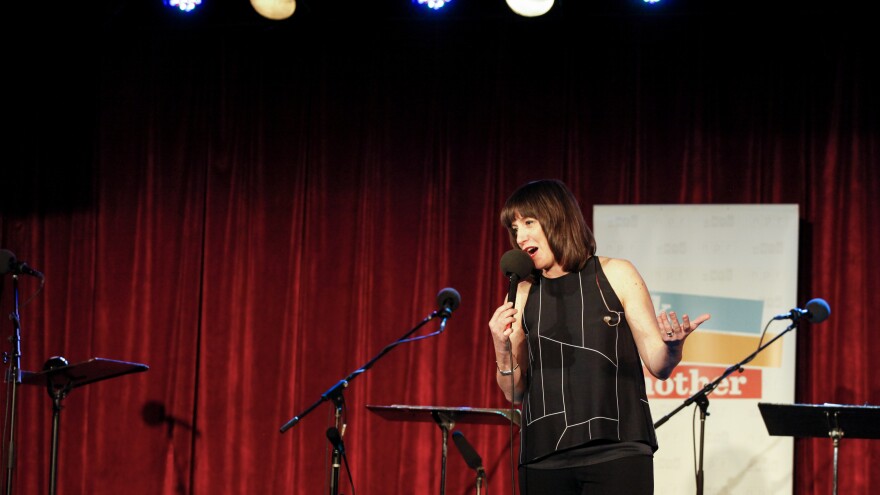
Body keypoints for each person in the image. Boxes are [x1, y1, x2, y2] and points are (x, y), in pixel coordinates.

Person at [488, 179, 710, 494]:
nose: (520, 237)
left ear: (557, 218)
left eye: (528, 222)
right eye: (514, 228)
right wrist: (501, 348)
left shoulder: (616, 273)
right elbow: (514, 392)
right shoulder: (524, 292)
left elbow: (658, 365)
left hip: (617, 448)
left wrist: (673, 348)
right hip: (543, 455)